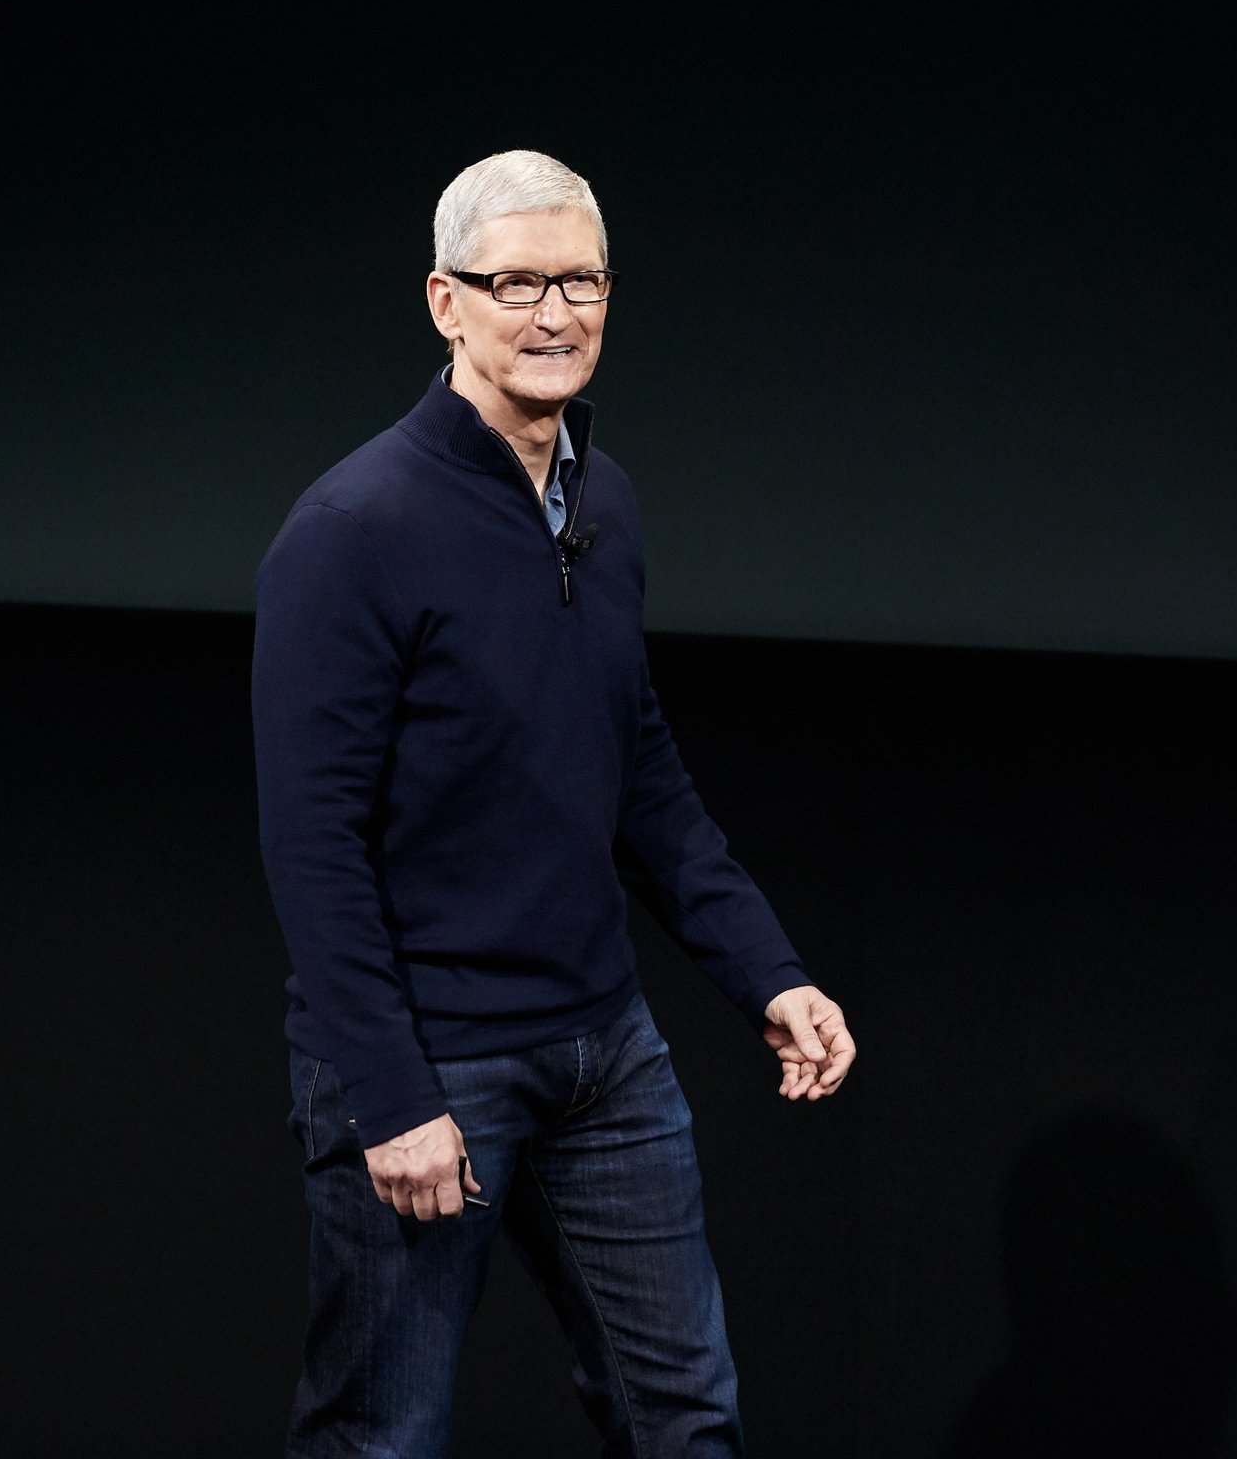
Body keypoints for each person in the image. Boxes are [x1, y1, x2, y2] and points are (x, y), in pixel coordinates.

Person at [252, 148, 857, 1458]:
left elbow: (640, 773)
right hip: (434, 1060)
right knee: (379, 1441)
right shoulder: (354, 528)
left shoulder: (607, 503)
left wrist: (767, 969)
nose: (554, 311)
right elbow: (312, 845)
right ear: (443, 302)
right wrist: (392, 1094)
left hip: (605, 1056)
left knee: (687, 1422)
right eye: (515, 280)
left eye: (580, 279)